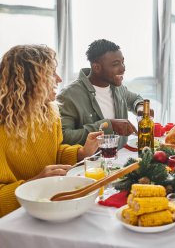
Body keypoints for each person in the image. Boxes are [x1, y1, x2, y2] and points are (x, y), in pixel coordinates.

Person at [0, 44, 102, 217]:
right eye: (51, 74)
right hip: (15, 218)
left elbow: (55, 152)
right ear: (29, 81)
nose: (59, 79)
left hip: (48, 203)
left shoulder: (49, 112)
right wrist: (35, 182)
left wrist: (81, 152)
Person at [57, 39, 144, 148]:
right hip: (91, 163)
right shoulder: (68, 95)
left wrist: (140, 108)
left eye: (122, 62)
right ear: (96, 67)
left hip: (121, 160)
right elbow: (64, 136)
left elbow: (135, 99)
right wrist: (108, 126)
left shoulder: (118, 88)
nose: (123, 68)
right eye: (115, 64)